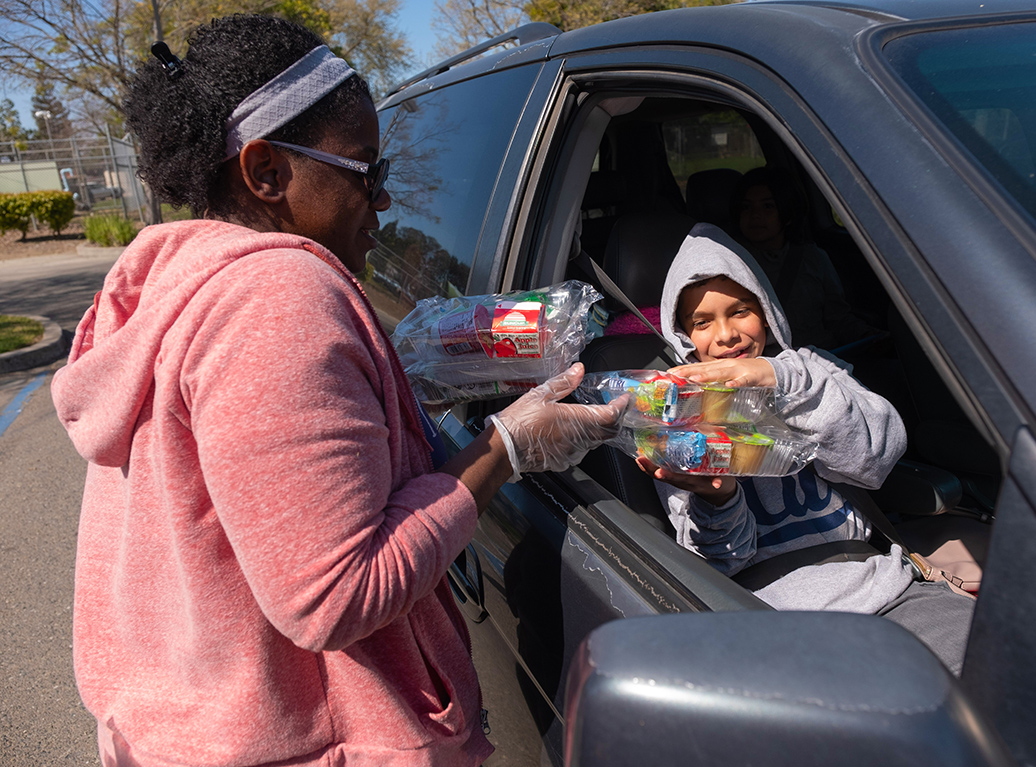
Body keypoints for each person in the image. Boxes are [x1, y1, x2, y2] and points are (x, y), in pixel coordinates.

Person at [51, 15, 625, 767]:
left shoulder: (174, 280)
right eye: (367, 171)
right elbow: (338, 594)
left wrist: (384, 385)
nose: (384, 202)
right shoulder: (275, 297)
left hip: (189, 728)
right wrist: (505, 447)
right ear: (265, 172)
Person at [637, 222, 975, 675]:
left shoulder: (812, 370)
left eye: (740, 311)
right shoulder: (680, 414)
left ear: (766, 309)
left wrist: (778, 383)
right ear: (682, 336)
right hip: (772, 624)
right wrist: (718, 498)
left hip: (883, 589)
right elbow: (719, 561)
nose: (725, 336)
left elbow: (877, 456)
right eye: (701, 322)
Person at [732, 166, 879, 350]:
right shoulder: (731, 263)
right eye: (746, 207)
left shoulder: (813, 258)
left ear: (788, 214)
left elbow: (838, 317)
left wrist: (868, 336)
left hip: (823, 358)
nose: (755, 215)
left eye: (768, 206)